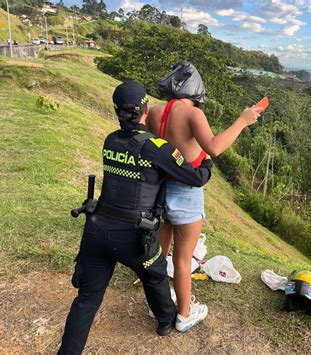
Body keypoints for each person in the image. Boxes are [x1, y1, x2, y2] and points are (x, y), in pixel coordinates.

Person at [58, 81, 214, 354]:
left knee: (86, 300)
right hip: (132, 235)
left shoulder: (110, 140)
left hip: (96, 230)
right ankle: (166, 320)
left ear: (117, 111)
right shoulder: (155, 147)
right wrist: (208, 160)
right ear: (145, 109)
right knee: (154, 276)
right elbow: (196, 177)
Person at [146, 61, 259, 332]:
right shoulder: (193, 115)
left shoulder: (154, 111)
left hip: (159, 191)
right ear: (197, 93)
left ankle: (158, 304)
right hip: (186, 193)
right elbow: (215, 147)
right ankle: (185, 314)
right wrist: (243, 121)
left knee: (159, 255)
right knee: (183, 260)